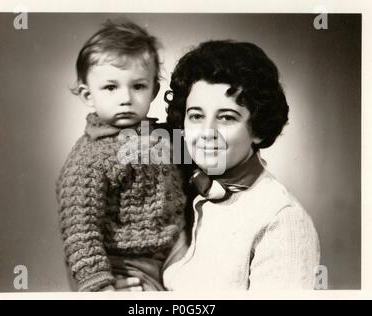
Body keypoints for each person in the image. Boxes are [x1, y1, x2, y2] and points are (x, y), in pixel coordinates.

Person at [160, 40, 320, 290]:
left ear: (256, 128)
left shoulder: (281, 220)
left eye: (226, 117)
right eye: (196, 116)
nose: (206, 132)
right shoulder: (183, 189)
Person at [55, 20, 186, 292]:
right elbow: (80, 231)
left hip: (175, 249)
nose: (125, 98)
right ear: (87, 95)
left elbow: (190, 169)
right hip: (127, 262)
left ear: (154, 91)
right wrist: (100, 287)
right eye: (111, 87)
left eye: (138, 86)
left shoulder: (162, 136)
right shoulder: (89, 159)